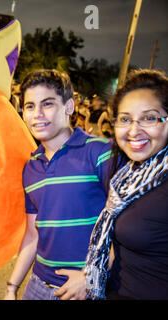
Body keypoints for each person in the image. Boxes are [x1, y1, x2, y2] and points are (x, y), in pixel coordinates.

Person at [54, 69, 168, 300]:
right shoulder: (127, 175)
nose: (134, 130)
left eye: (149, 117)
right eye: (125, 119)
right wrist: (89, 274)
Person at [4, 69, 116, 300]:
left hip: (85, 288)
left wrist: (90, 275)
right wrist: (12, 287)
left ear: (69, 107)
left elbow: (124, 225)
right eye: (30, 106)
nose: (37, 114)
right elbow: (33, 235)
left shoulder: (100, 152)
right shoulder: (31, 167)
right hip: (37, 286)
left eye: (47, 104)